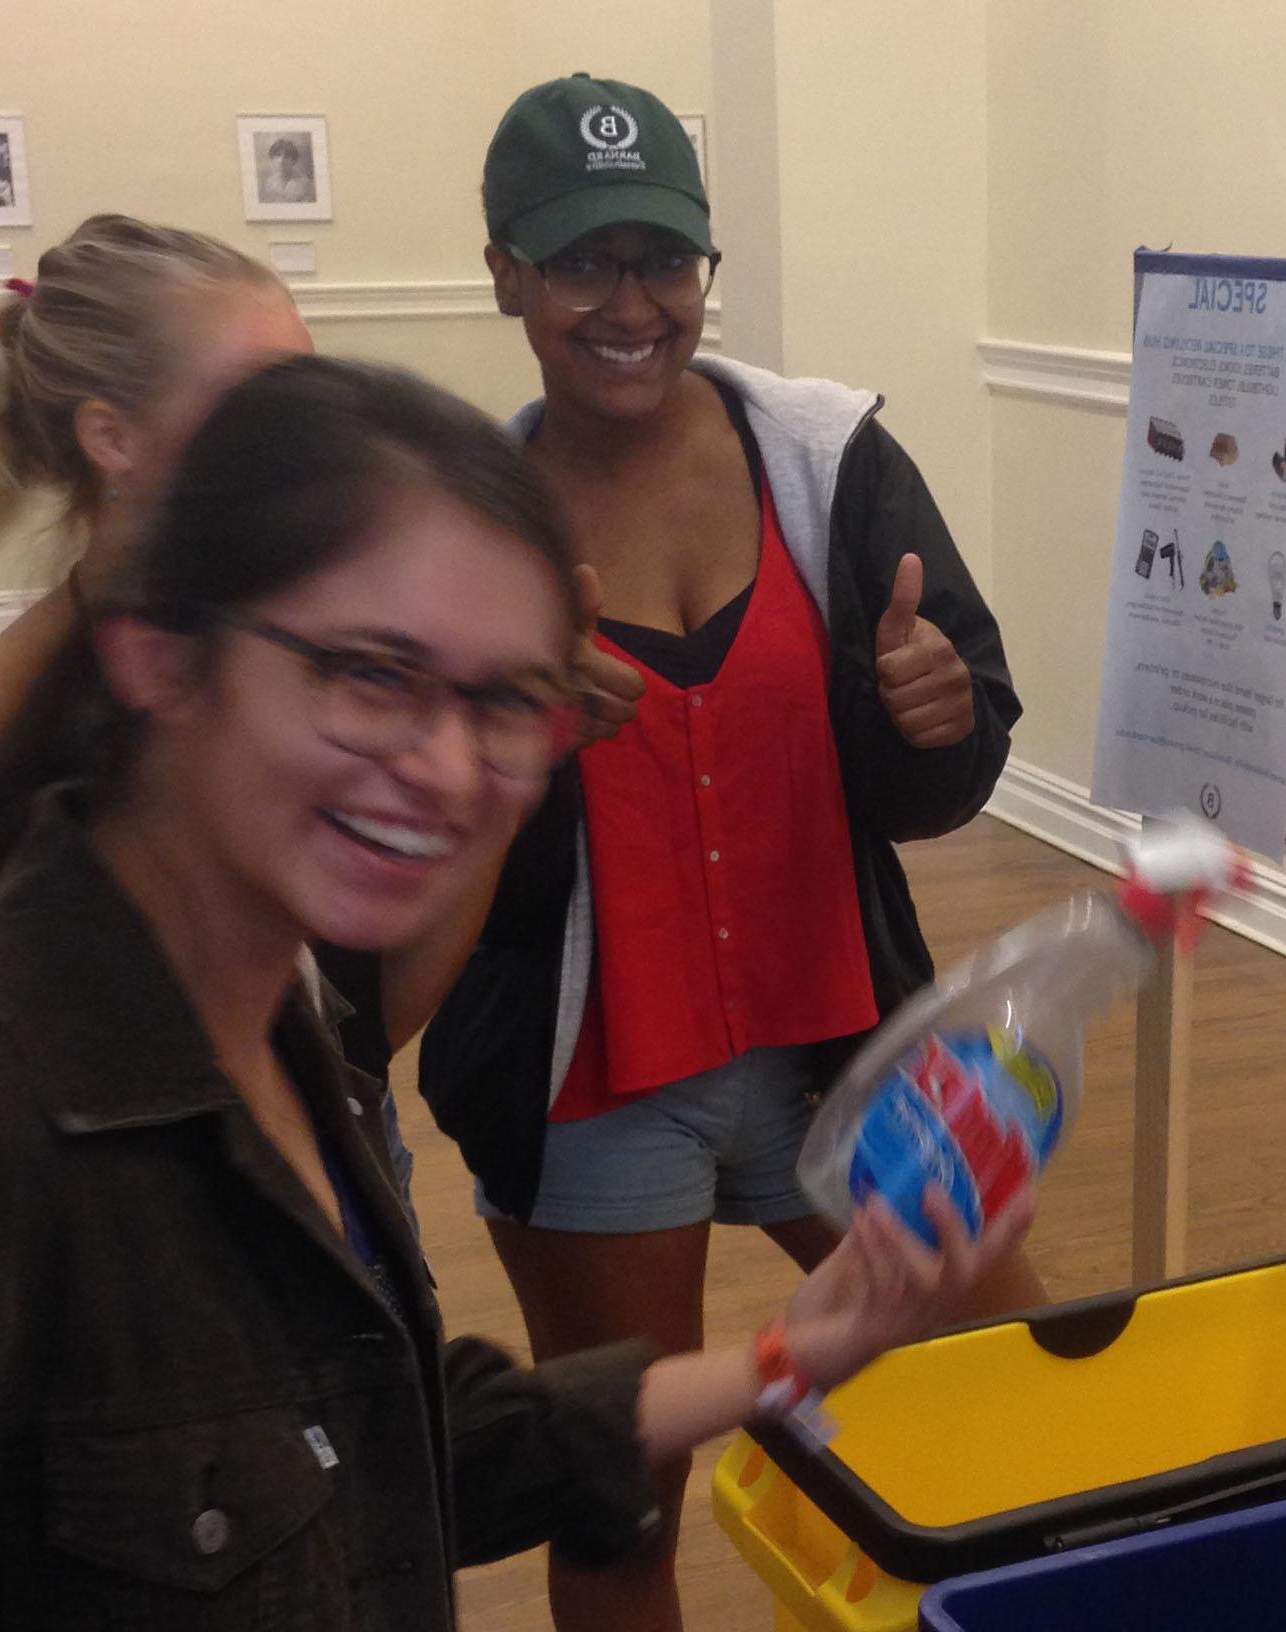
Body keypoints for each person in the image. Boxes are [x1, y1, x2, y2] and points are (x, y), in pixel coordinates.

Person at [0, 355, 1031, 1630]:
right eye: (371, 674)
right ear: (160, 661)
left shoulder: (279, 1048)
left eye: (508, 701)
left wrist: (786, 1357)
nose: (449, 770)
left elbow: (360, 1433)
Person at [400, 73, 1046, 1629]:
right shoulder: (460, 516)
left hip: (848, 1034)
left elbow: (945, 769)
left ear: (702, 269)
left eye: (661, 259)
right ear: (506, 273)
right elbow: (406, 850)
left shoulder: (830, 459)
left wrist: (933, 717)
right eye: (580, 264)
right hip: (596, 1084)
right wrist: (517, 733)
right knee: (621, 1503)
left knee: (1014, 1376)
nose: (629, 305)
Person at [0, 214, 314, 942]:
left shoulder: (315, 639)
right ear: (111, 438)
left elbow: (365, 1015)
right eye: (256, 406)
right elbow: (2, 1026)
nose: (308, 438)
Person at [259, 136, 315, 204]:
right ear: (272, 159)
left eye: (286, 156)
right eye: (278, 155)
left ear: (293, 160)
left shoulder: (305, 184)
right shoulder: (268, 184)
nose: (281, 160)